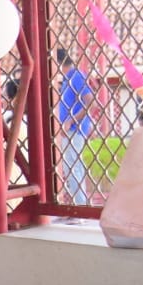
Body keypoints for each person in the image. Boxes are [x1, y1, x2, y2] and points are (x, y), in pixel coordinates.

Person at [56, 49, 93, 206]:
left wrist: (72, 120)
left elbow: (90, 100)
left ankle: (81, 206)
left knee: (73, 167)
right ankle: (78, 205)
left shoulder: (76, 76)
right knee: (70, 167)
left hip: (74, 129)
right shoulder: (66, 79)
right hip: (67, 130)